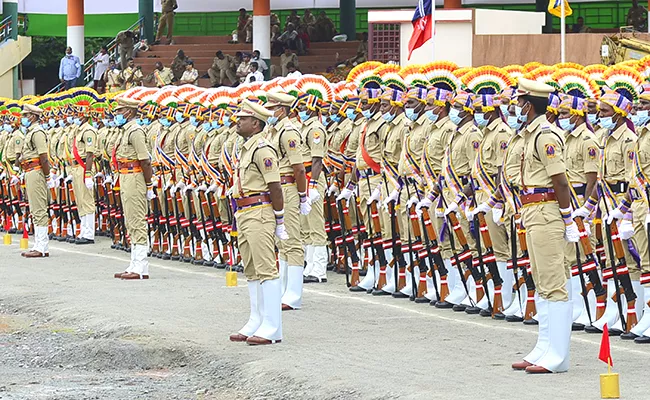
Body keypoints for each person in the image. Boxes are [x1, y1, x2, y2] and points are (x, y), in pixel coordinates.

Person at [510, 78, 576, 374]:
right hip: (533, 211)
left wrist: (568, 218)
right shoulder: (530, 134)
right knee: (541, 282)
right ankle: (544, 347)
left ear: (529, 104)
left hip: (548, 212)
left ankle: (557, 356)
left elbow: (560, 180)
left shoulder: (546, 135)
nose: (517, 107)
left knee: (553, 284)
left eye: (520, 102)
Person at [228, 99, 287, 345]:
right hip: (244, 211)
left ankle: (272, 326)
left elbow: (275, 186)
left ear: (255, 123)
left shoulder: (262, 148)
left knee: (265, 268)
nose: (237, 122)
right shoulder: (246, 148)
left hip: (259, 211)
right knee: (251, 269)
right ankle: (257, 319)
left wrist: (279, 221)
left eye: (242, 119)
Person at [265, 92, 310, 310]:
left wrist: (302, 196)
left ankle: (294, 294)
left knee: (292, 239)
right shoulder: (273, 130)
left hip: (288, 186)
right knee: (281, 241)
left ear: (282, 110)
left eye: (272, 108)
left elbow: (299, 168)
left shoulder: (288, 131)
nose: (269, 112)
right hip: (277, 186)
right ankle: (283, 290)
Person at [112, 97, 155, 280]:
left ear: (129, 112)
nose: (117, 115)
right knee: (130, 220)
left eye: (120, 111)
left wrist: (148, 184)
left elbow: (145, 160)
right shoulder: (125, 130)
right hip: (125, 176)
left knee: (137, 220)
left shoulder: (135, 131)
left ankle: (141, 265)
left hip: (135, 176)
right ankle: (134, 263)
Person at [16, 104, 55, 258]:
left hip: (36, 171)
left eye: (25, 115)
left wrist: (47, 176)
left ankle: (42, 246)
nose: (23, 118)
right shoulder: (30, 131)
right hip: (29, 171)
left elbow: (43, 157)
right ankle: (38, 244)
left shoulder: (37, 132)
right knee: (34, 208)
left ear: (32, 116)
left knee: (39, 208)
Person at [68, 103, 98, 245]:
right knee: (80, 200)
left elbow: (90, 154)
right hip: (75, 168)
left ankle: (89, 232)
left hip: (83, 166)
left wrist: (87, 173)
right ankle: (83, 230)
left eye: (77, 114)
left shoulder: (88, 131)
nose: (74, 116)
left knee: (87, 199)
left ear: (84, 115)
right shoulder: (78, 130)